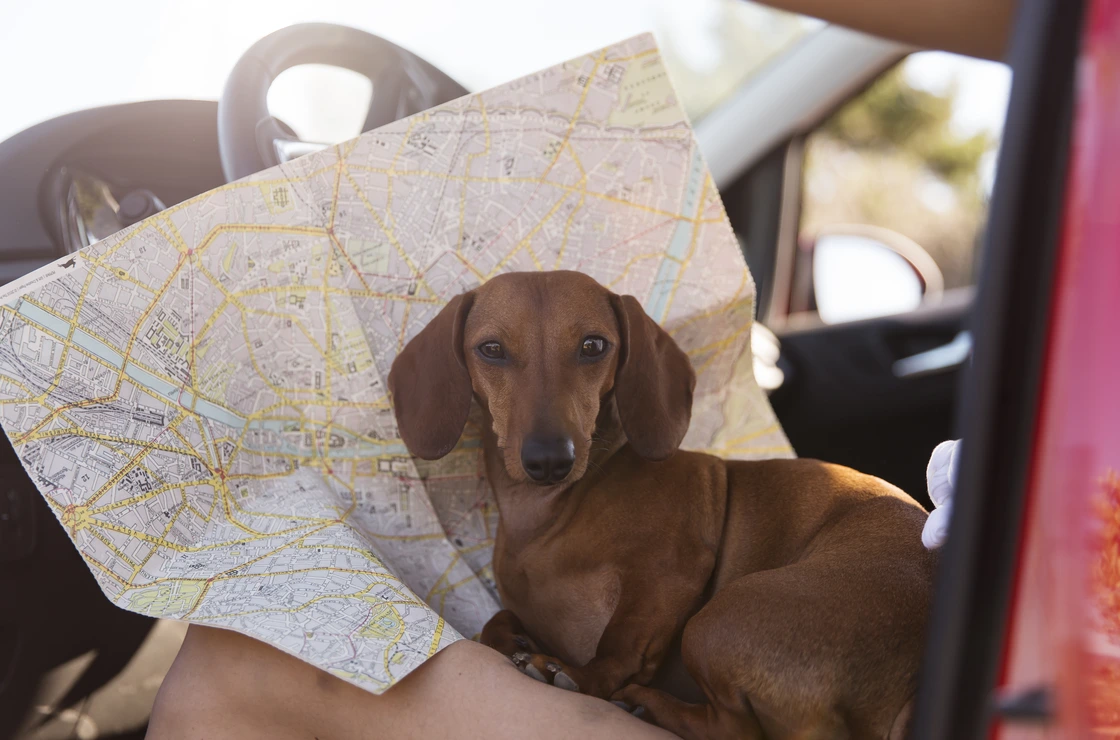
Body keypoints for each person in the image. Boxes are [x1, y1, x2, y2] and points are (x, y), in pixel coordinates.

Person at [147, 3, 1014, 737]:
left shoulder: (663, 488)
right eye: (497, 357)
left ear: (628, 364)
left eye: (587, 352)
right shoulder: (530, 528)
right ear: (455, 370)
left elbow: (675, 573)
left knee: (230, 654)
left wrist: (606, 684)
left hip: (854, 647)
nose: (546, 415)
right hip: (879, 653)